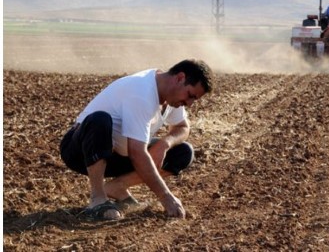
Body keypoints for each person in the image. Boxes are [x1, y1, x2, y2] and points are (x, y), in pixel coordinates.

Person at [59, 59, 214, 221]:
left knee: (183, 152)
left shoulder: (172, 97)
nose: (188, 104)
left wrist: (164, 144)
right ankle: (98, 199)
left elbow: (182, 127)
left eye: (193, 100)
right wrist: (166, 197)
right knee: (99, 120)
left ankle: (117, 186)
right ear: (180, 78)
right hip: (81, 151)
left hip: (118, 155)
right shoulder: (142, 91)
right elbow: (137, 152)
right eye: (190, 96)